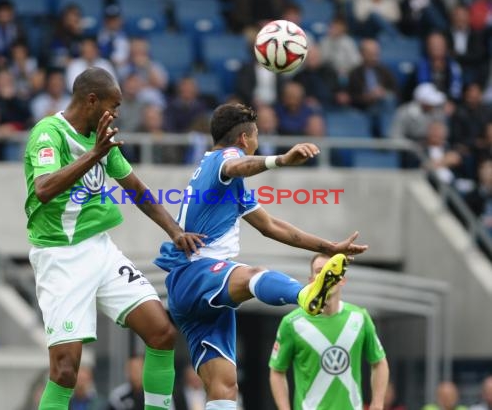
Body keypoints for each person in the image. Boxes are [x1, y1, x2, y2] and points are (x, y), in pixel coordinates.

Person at [154, 103, 368, 410]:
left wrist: (329, 247)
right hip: (196, 273)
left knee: (224, 387)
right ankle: (306, 294)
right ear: (244, 140)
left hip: (197, 292)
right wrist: (280, 160)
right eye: (256, 136)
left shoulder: (222, 180)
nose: (257, 142)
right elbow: (235, 165)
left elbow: (271, 226)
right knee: (254, 275)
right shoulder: (224, 159)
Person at [23, 66, 205, 410]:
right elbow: (44, 189)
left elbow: (135, 188)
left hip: (101, 250)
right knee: (65, 370)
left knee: (162, 333)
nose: (116, 113)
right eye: (113, 105)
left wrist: (175, 231)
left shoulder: (101, 136)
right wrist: (95, 154)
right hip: (59, 256)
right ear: (91, 101)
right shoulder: (48, 134)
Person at [269, 253, 389, 410]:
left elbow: (379, 362)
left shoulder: (360, 318)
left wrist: (377, 404)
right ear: (311, 281)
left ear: (342, 279)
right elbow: (277, 370)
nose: (326, 276)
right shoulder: (292, 323)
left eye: (332, 271)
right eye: (320, 271)